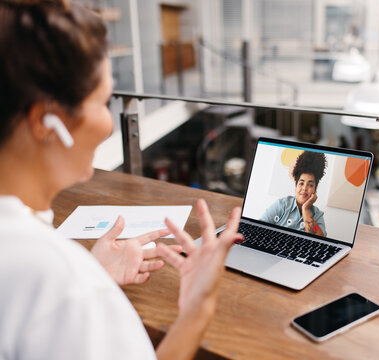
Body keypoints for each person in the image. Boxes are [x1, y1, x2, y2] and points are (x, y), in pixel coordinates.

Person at [0, 1, 242, 359]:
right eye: (103, 102)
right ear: (45, 121)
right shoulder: (64, 282)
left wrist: (95, 271)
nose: (111, 122)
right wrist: (199, 306)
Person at [260, 151, 327, 236]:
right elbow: (259, 228)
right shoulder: (282, 205)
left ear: (315, 189)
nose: (304, 188)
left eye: (310, 185)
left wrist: (305, 209)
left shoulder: (317, 215)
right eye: (301, 183)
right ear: (296, 186)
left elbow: (319, 239)